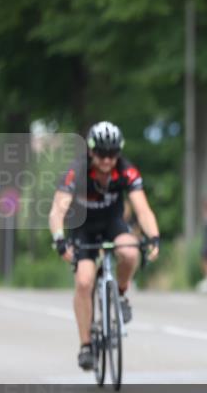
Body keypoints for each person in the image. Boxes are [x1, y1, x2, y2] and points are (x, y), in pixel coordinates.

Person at [48, 121, 160, 371]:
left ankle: (119, 294)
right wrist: (59, 239)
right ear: (90, 151)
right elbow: (58, 209)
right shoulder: (76, 170)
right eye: (101, 153)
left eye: (112, 154)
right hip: (82, 226)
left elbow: (142, 209)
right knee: (85, 281)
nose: (107, 160)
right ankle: (86, 345)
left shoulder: (126, 170)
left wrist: (153, 237)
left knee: (130, 253)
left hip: (112, 222)